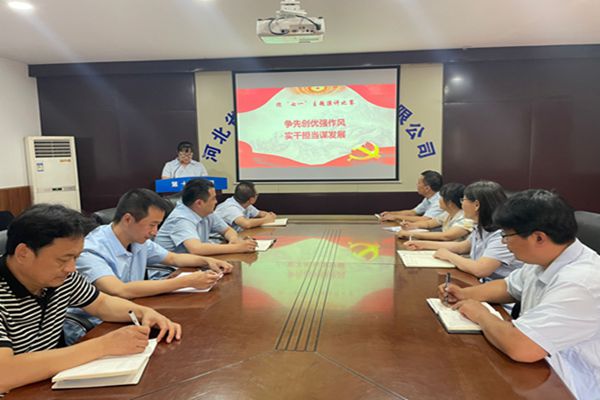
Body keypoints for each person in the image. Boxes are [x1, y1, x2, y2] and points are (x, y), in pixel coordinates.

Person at [0, 204, 181, 394]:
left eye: (76, 258)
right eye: (63, 260)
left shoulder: (62, 277)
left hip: (45, 384)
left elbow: (101, 303)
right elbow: (4, 374)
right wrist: (104, 345)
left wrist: (144, 313)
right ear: (23, 253)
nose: (71, 268)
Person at [440, 189, 600, 399]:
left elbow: (522, 347)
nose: (504, 242)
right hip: (539, 366)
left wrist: (480, 314)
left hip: (568, 385)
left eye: (506, 235)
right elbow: (508, 286)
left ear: (538, 237)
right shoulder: (545, 258)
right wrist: (465, 294)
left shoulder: (581, 282)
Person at [65, 189, 234, 344]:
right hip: (95, 326)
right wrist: (186, 281)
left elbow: (173, 258)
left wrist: (207, 261)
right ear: (128, 219)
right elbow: (119, 290)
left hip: (134, 313)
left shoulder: (137, 239)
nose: (155, 232)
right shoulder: (91, 249)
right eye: (152, 225)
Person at [406, 181, 522, 279]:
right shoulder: (481, 226)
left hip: (502, 291)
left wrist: (448, 255)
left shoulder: (502, 234)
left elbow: (481, 270)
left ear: (476, 205)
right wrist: (422, 244)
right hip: (481, 281)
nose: (461, 204)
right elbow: (462, 247)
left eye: (464, 200)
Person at [156, 179, 257, 255]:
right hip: (170, 271)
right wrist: (238, 247)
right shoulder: (180, 218)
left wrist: (233, 239)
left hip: (193, 263)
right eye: (213, 198)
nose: (216, 202)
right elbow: (196, 249)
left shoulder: (207, 212)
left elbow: (227, 230)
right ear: (199, 203)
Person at [396, 183, 474, 241]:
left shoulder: (466, 217)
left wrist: (412, 234)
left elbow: (446, 236)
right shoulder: (447, 213)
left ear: (449, 203)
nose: (438, 200)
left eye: (441, 197)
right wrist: (412, 225)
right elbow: (429, 223)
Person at [379, 170, 445, 223]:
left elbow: (425, 219)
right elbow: (413, 212)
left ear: (427, 188)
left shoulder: (439, 201)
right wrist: (391, 214)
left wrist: (396, 217)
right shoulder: (429, 198)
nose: (417, 185)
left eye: (419, 183)